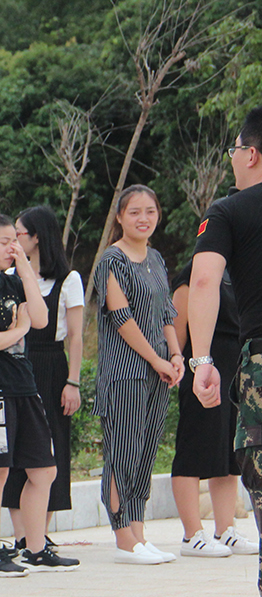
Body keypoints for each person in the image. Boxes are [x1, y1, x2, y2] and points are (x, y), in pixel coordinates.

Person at [0, 211, 76, 577]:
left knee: (44, 470)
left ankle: (35, 548)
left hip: (24, 386)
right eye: (4, 242)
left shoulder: (13, 282)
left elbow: (40, 320)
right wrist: (20, 328)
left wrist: (25, 270)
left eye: (16, 240)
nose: (13, 247)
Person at [190, 106, 262, 591]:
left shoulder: (228, 211)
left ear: (251, 153)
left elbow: (203, 281)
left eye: (234, 149)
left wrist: (202, 360)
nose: (232, 158)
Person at [94, 186, 183, 564]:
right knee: (123, 452)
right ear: (120, 217)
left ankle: (139, 534)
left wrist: (175, 355)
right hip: (125, 371)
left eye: (150, 211)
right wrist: (157, 360)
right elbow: (122, 318)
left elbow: (166, 314)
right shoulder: (111, 261)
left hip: (159, 371)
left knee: (145, 451)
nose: (143, 218)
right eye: (134, 212)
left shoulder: (156, 258)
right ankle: (123, 537)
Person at [4, 205, 83, 551]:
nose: (13, 240)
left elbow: (76, 336)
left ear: (36, 237)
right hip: (15, 362)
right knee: (14, 446)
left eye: (18, 233)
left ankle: (41, 531)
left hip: (52, 367)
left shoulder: (68, 280)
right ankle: (22, 534)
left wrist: (73, 382)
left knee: (52, 448)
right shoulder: (9, 276)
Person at [171, 258, 257, 556]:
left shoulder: (238, 272)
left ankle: (225, 529)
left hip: (236, 367)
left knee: (229, 453)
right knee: (193, 448)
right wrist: (179, 365)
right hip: (202, 368)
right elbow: (179, 328)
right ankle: (192, 534)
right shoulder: (194, 272)